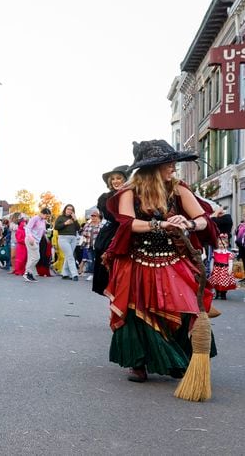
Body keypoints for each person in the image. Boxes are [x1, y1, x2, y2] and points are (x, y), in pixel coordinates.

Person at [104, 140, 218, 382]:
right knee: (136, 311)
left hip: (173, 258)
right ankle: (139, 362)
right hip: (137, 259)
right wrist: (160, 223)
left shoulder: (178, 189)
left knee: (185, 306)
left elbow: (203, 220)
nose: (173, 167)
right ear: (153, 167)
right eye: (168, 162)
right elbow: (128, 224)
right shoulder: (129, 191)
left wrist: (187, 223)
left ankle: (177, 358)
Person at [92, 165, 129, 296]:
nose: (115, 181)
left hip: (131, 232)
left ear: (126, 179)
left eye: (119, 178)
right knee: (110, 277)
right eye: (112, 179)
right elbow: (114, 216)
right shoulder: (105, 198)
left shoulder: (136, 194)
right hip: (111, 236)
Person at [54, 204, 81, 281]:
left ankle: (65, 273)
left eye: (71, 209)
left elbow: (78, 228)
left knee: (68, 256)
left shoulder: (73, 219)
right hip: (63, 238)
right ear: (65, 209)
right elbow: (56, 227)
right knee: (70, 256)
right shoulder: (60, 217)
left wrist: (75, 220)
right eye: (68, 209)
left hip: (73, 239)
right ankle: (74, 274)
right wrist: (65, 223)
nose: (69, 210)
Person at [24, 208, 51, 282]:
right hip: (31, 240)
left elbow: (42, 230)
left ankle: (29, 274)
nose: (47, 217)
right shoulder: (35, 218)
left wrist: (46, 235)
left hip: (37, 241)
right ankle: (27, 273)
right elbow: (28, 228)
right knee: (36, 257)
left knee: (31, 258)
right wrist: (30, 237)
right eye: (47, 216)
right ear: (43, 213)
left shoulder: (43, 221)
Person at [208, 233, 237, 300]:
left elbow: (230, 261)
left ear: (227, 244)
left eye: (223, 244)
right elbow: (212, 261)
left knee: (224, 282)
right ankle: (217, 294)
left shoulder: (228, 253)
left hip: (224, 269)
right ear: (217, 244)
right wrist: (211, 268)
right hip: (216, 269)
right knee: (216, 282)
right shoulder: (215, 252)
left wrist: (230, 269)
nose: (222, 245)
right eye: (220, 244)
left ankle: (223, 294)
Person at [79, 210, 102, 280]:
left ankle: (98, 274)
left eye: (94, 216)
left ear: (98, 217)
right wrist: (87, 224)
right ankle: (92, 274)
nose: (93, 217)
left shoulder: (101, 225)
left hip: (98, 246)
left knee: (98, 260)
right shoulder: (88, 225)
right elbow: (84, 233)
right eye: (92, 216)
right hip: (89, 245)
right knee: (91, 261)